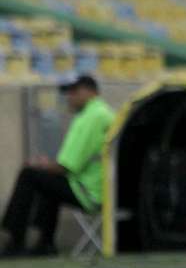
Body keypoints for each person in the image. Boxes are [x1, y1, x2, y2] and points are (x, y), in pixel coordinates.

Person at [1, 75, 115, 257]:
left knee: (29, 175)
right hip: (99, 189)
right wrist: (47, 167)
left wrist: (41, 166)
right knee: (47, 182)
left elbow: (67, 167)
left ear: (89, 91)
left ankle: (15, 239)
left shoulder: (93, 116)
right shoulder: (101, 112)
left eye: (74, 91)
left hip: (89, 192)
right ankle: (45, 243)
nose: (69, 96)